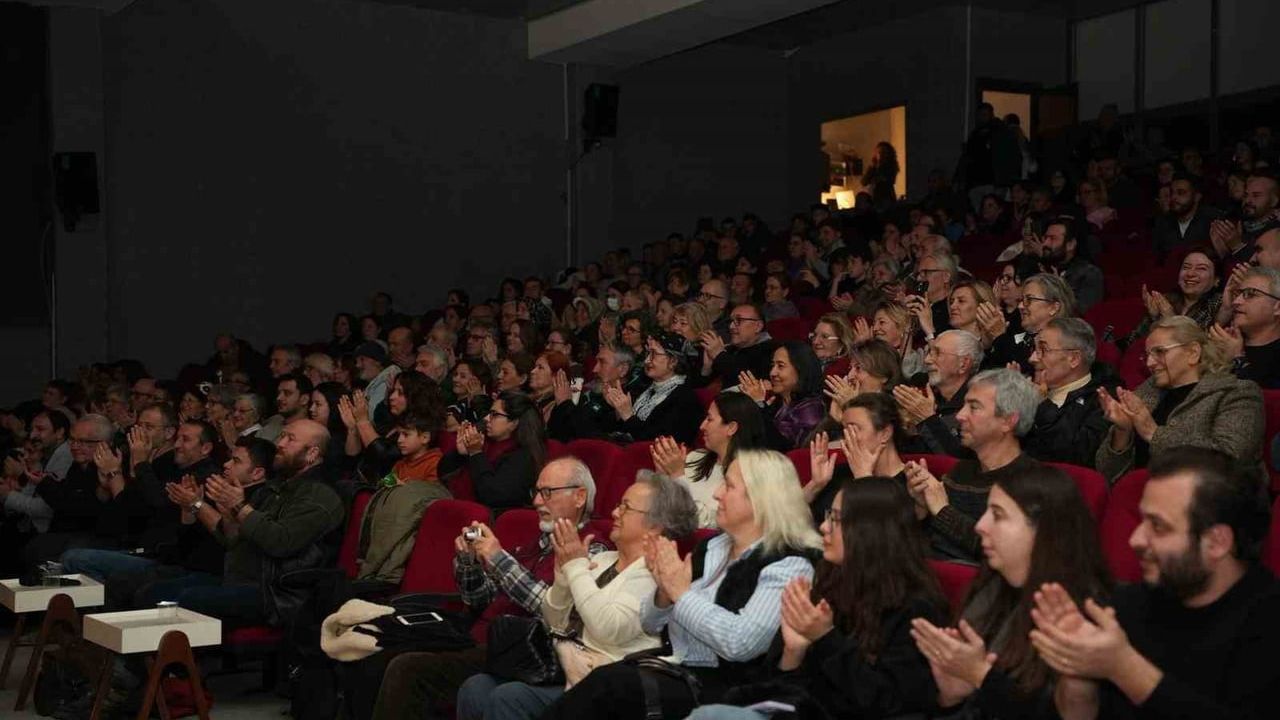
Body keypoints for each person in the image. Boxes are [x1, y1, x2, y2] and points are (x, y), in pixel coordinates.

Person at [543, 449, 822, 720]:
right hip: (674, 669)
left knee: (609, 684)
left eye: (729, 486)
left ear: (761, 499)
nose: (716, 493)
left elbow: (741, 642)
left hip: (730, 689)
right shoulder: (712, 547)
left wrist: (680, 593)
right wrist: (664, 594)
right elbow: (651, 623)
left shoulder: (789, 565)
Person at [1029, 447, 1280, 719]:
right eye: (1142, 520)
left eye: (1158, 526)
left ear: (1217, 542)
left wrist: (1124, 667)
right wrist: (1077, 675)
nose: (1135, 539)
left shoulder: (1267, 622)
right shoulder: (1127, 603)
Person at [358, 458, 608, 720]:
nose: (536, 502)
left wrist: (499, 559)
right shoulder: (535, 543)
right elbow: (478, 598)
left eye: (548, 493)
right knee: (376, 649)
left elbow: (557, 610)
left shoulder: (593, 549)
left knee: (406, 668)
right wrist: (469, 563)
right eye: (536, 492)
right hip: (479, 638)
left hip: (524, 653)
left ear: (580, 496)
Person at [689, 476, 948, 720]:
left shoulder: (916, 609)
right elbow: (787, 694)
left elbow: (889, 703)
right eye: (828, 517)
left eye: (835, 519)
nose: (823, 527)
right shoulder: (830, 582)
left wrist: (826, 638)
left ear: (868, 532)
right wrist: (793, 652)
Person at [455, 472, 699, 720]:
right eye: (618, 505)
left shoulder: (657, 574)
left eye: (626, 508)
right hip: (562, 666)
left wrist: (575, 567)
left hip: (603, 686)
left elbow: (607, 627)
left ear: (656, 525)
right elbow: (554, 621)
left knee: (510, 697)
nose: (615, 513)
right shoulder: (602, 560)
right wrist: (562, 579)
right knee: (475, 687)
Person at [911, 464, 1110, 719]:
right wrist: (950, 696)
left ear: (1042, 531)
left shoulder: (1084, 613)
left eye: (998, 515)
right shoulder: (992, 585)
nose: (981, 525)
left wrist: (979, 675)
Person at [154, 419, 345, 625]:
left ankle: (177, 657)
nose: (280, 444)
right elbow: (232, 541)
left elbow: (281, 541)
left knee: (186, 601)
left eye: (291, 439)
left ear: (312, 454)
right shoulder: (274, 488)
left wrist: (238, 507)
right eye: (281, 436)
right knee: (156, 592)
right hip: (241, 580)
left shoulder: (319, 495)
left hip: (277, 594)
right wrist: (226, 512)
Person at [1097, 316, 1265, 485]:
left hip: (1209, 503)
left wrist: (1153, 432)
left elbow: (1229, 458)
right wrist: (1122, 431)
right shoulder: (1146, 392)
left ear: (1193, 352)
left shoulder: (1236, 393)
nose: (1150, 363)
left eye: (1160, 352)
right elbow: (1106, 473)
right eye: (1147, 355)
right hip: (1142, 496)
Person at [904, 368, 1043, 562]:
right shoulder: (959, 472)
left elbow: (1009, 556)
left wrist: (942, 511)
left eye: (974, 407)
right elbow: (928, 547)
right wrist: (921, 510)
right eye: (963, 406)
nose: (960, 415)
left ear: (1008, 421)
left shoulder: (1034, 482)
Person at [354, 413, 450, 591]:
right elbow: (385, 482)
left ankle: (385, 577)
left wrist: (404, 488)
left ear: (425, 437)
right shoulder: (400, 464)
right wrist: (393, 483)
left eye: (406, 435)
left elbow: (431, 495)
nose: (399, 440)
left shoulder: (436, 462)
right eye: (398, 434)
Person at [650, 393, 767, 529]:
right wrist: (662, 475)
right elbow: (656, 507)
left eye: (709, 419)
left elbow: (707, 524)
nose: (702, 426)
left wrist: (678, 475)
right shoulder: (695, 457)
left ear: (731, 428)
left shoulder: (746, 476)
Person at [1023, 317, 1118, 467]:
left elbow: (1077, 456)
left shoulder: (1103, 401)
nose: (1033, 358)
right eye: (1035, 349)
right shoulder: (1028, 385)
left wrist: (1043, 406)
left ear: (1073, 359)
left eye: (1043, 350)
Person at [806, 392, 911, 524]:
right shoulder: (838, 473)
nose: (847, 437)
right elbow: (790, 523)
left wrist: (863, 478)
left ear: (885, 433)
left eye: (854, 429)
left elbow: (886, 536)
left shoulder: (910, 483)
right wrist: (815, 485)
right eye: (844, 430)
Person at [441, 391, 545, 512]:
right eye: (489, 413)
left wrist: (476, 454)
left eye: (494, 415)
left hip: (490, 519)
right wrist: (460, 453)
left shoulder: (523, 456)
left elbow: (492, 495)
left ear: (514, 423)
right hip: (457, 504)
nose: (486, 419)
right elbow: (442, 473)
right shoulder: (482, 441)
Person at [603, 332, 702, 446]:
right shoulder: (643, 386)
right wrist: (618, 408)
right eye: (648, 353)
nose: (647, 360)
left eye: (654, 354)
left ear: (673, 361)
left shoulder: (685, 398)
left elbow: (658, 442)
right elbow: (619, 430)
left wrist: (628, 416)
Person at [546, 344, 646, 442]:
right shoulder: (590, 395)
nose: (595, 369)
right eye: (596, 362)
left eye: (602, 363)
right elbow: (555, 433)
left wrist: (565, 404)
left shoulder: (630, 400)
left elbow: (593, 439)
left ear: (623, 370)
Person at [1125, 248, 1222, 347]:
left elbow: (1202, 350)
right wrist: (1153, 318)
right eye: (1186, 267)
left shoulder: (1218, 305)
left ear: (1216, 280)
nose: (1190, 273)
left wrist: (1171, 319)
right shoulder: (1166, 300)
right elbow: (1132, 343)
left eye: (1201, 268)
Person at [739, 342, 826, 451]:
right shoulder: (776, 402)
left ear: (801, 369)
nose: (772, 373)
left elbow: (781, 450)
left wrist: (759, 406)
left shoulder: (811, 410)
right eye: (773, 366)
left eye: (780, 366)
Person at [985, 273, 1076, 373]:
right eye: (1021, 300)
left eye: (1029, 300)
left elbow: (1029, 371)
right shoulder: (1016, 336)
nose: (1020, 306)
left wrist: (1000, 337)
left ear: (1053, 307)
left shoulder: (1065, 344)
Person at [1211, 265, 1280, 388]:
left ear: (1277, 308)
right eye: (1238, 293)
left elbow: (1263, 403)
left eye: (1250, 294)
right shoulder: (1226, 339)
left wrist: (1237, 359)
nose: (1236, 301)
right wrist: (1225, 311)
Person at [699, 302, 775, 391]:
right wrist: (707, 368)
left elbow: (746, 380)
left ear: (758, 326)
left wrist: (718, 354)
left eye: (739, 320)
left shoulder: (772, 350)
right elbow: (699, 388)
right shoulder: (729, 350)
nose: (731, 326)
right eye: (730, 321)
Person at [1041, 217, 1104, 313]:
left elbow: (1083, 313)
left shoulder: (1089, 273)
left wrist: (1059, 289)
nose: (1045, 243)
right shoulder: (1039, 269)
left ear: (1070, 244)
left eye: (1053, 238)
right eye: (1045, 238)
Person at [1153, 174, 1219, 261]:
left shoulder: (1213, 220)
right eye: (1172, 193)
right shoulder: (1162, 222)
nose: (1174, 197)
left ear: (1197, 197)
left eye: (1181, 193)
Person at [259, 372, 313, 444]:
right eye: (279, 393)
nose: (279, 398)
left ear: (304, 399)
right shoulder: (273, 420)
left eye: (287, 393)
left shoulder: (310, 432)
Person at [355, 342, 399, 419]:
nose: (357, 365)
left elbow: (373, 417)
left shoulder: (387, 382)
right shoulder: (374, 385)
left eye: (362, 359)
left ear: (378, 361)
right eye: (357, 361)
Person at [809, 313, 853, 377]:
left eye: (824, 337)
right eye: (814, 335)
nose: (815, 342)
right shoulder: (805, 363)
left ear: (841, 342)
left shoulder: (846, 371)